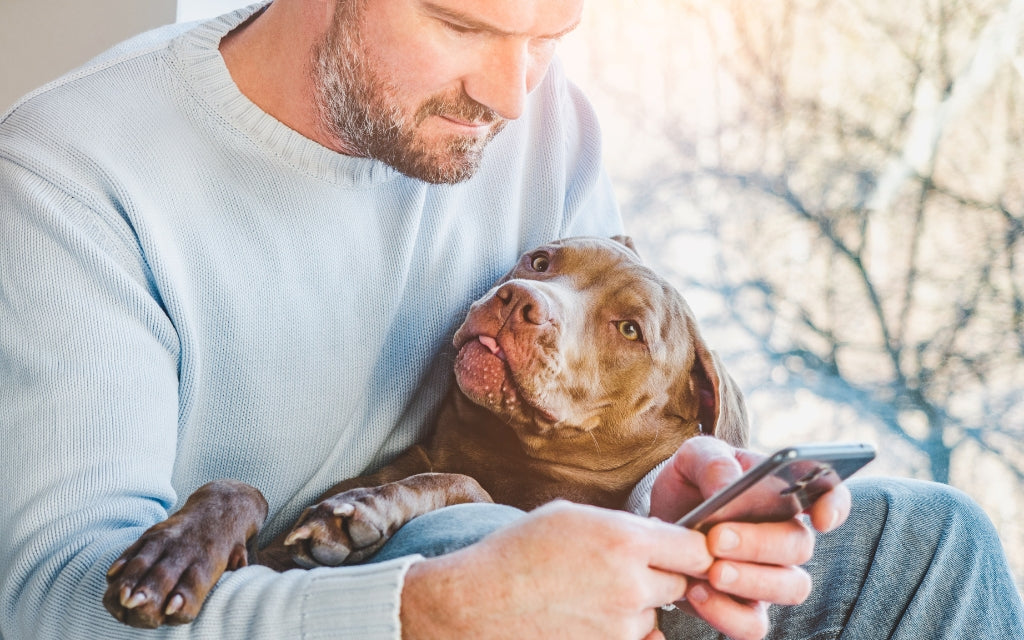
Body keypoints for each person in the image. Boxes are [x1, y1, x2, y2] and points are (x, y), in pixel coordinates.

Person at [0, 1, 1020, 638]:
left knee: (929, 542)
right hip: (332, 610)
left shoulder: (538, 119)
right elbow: (45, 610)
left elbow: (601, 381)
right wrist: (425, 613)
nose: (512, 94)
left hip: (528, 584)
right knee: (464, 532)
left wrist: (663, 483)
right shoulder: (75, 175)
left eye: (548, 34)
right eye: (464, 25)